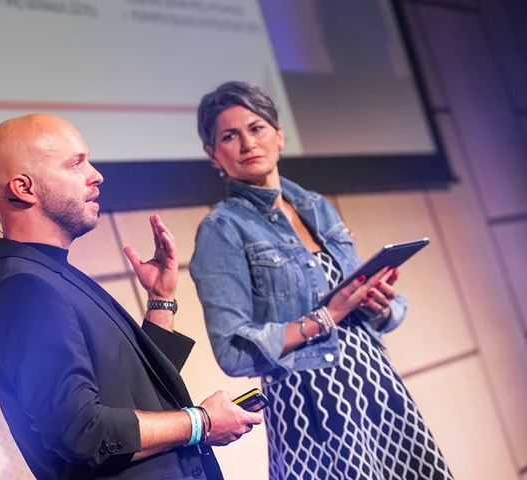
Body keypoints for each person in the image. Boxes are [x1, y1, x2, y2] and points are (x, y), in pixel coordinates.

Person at [188, 82, 453, 479]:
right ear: (213, 154)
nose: (247, 143)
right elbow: (232, 352)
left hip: (377, 384)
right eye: (230, 136)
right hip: (311, 405)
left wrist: (377, 306)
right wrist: (327, 316)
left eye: (257, 128)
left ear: (279, 135)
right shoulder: (221, 230)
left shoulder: (315, 205)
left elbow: (359, 302)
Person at [0, 113, 262, 480]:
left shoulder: (50, 276)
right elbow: (83, 433)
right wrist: (201, 423)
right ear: (23, 188)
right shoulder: (25, 291)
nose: (96, 175)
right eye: (76, 164)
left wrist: (160, 300)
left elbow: (133, 392)